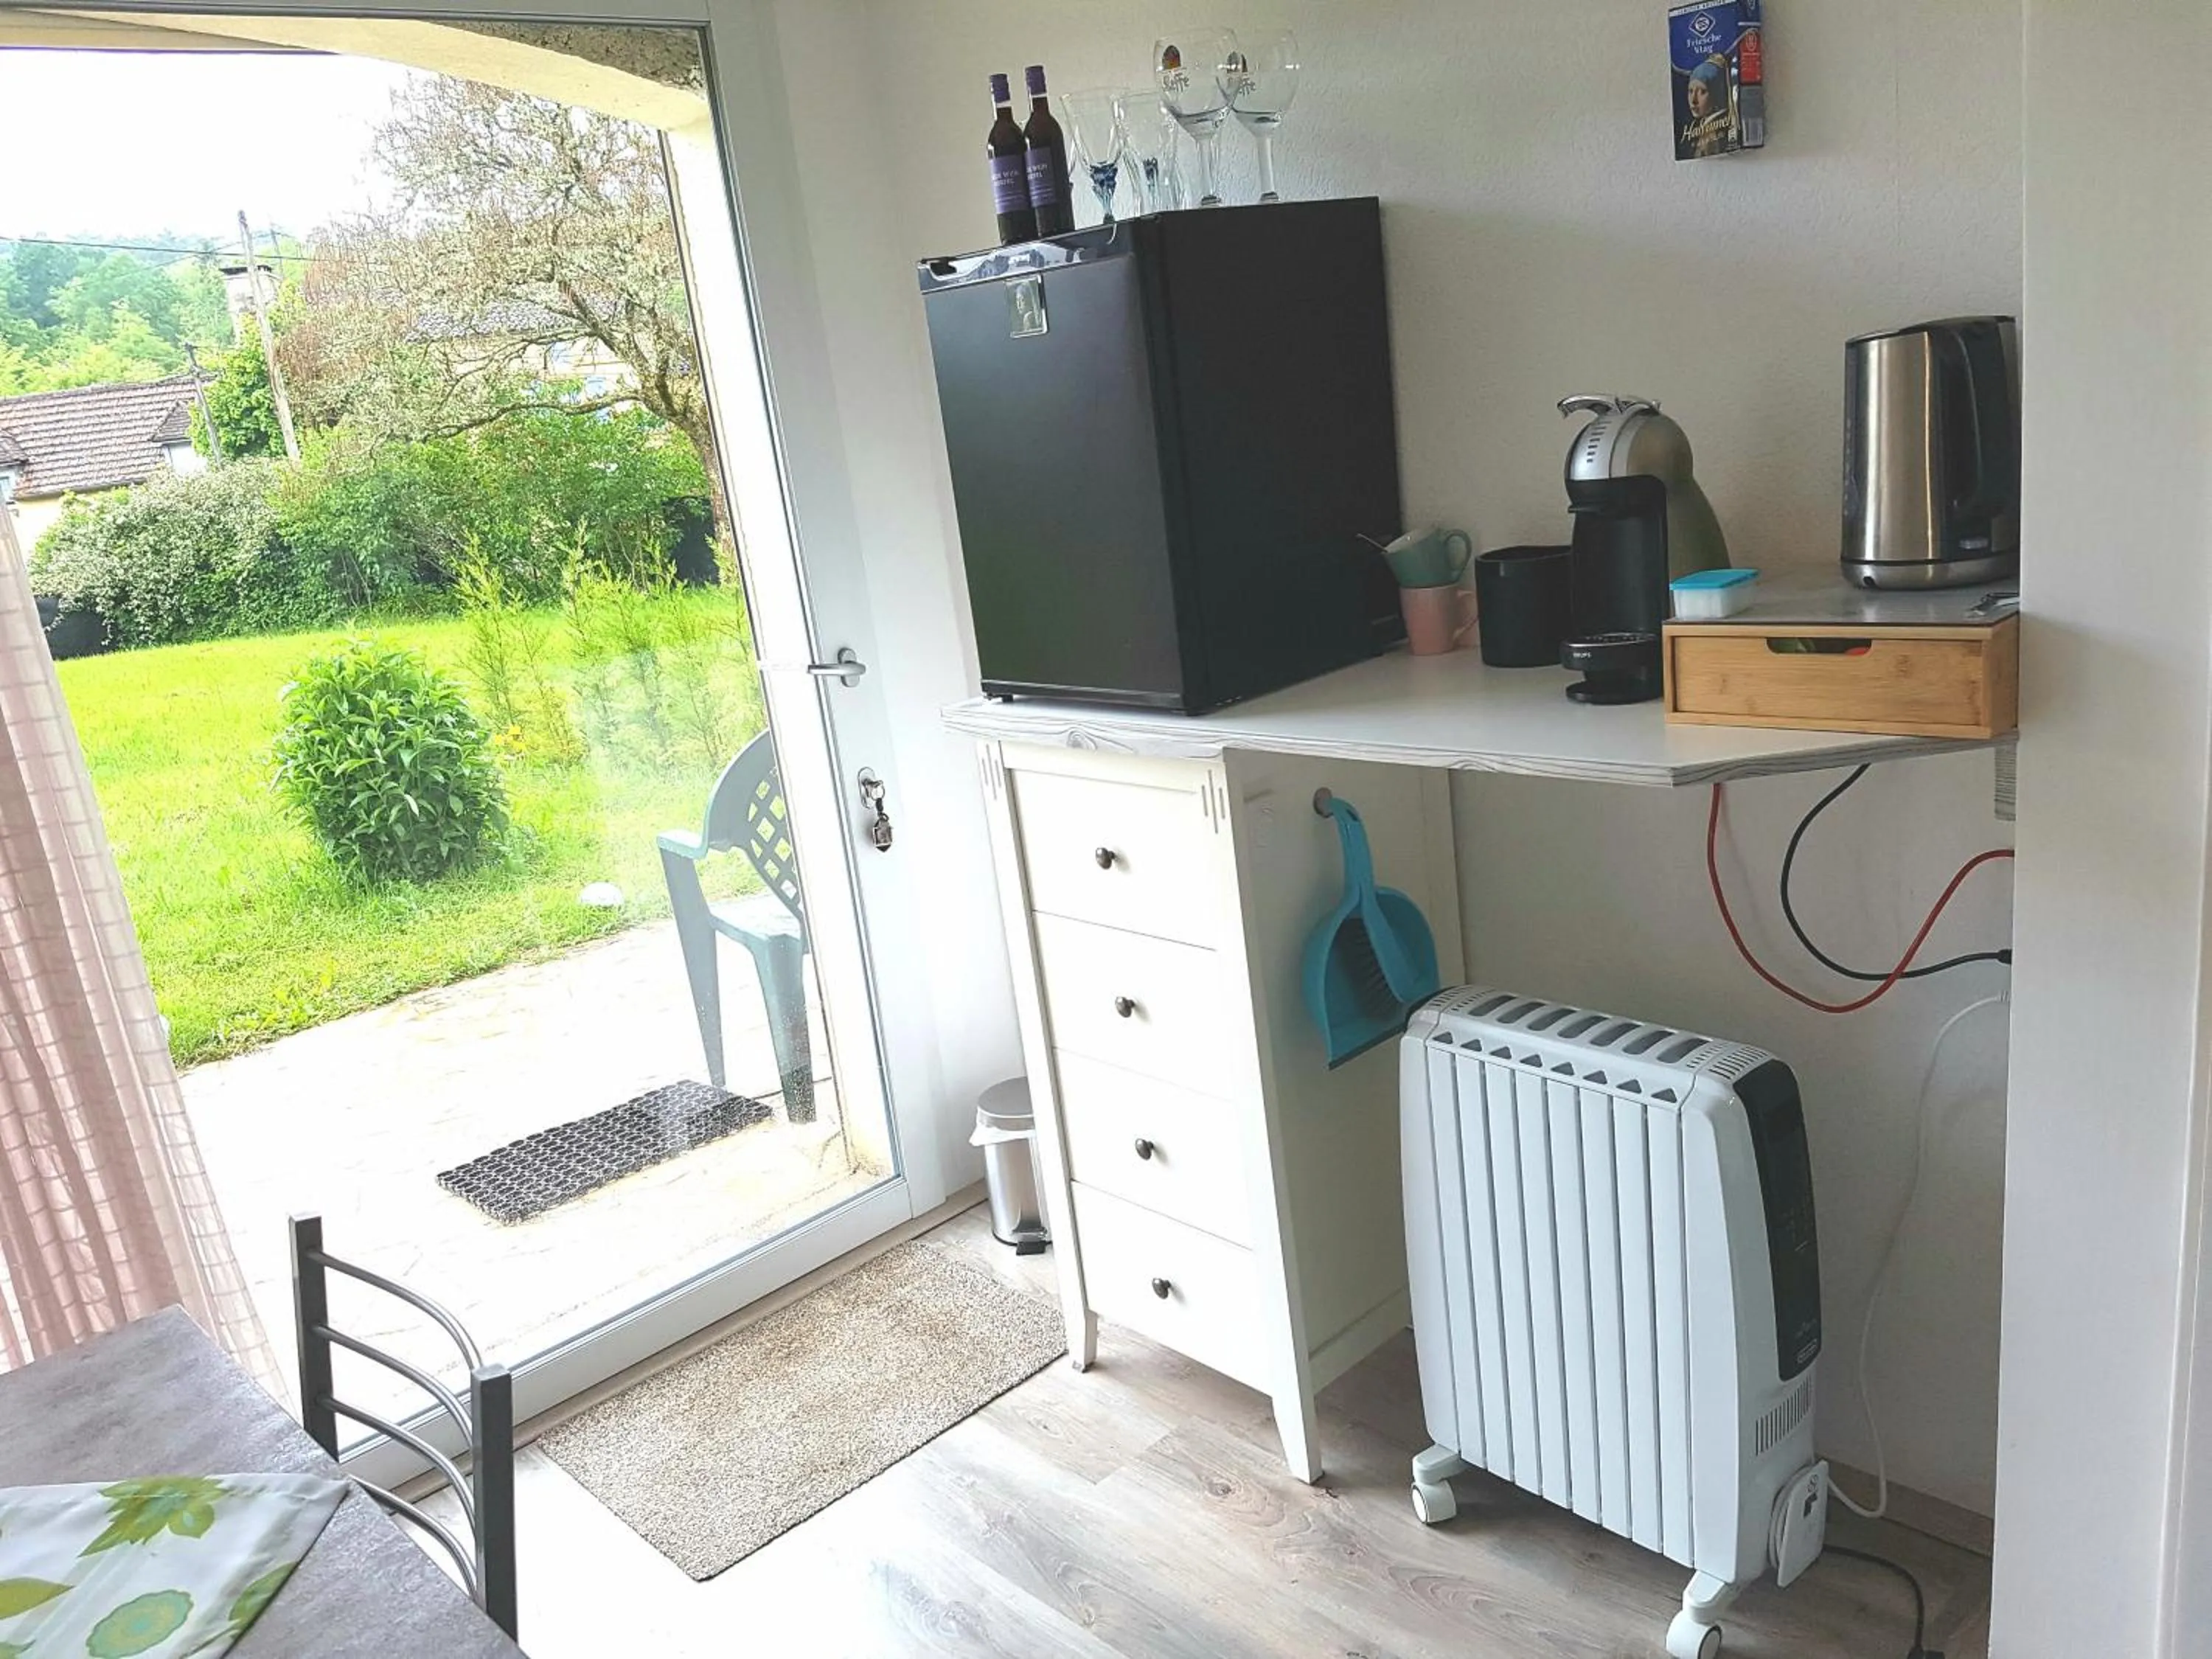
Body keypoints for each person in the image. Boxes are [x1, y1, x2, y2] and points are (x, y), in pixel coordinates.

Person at [1680, 55, 1732, 158]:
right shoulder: (1700, 126)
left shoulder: (1716, 133)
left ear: (1716, 93)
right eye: (1691, 91)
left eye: (1702, 92)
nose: (1694, 100)